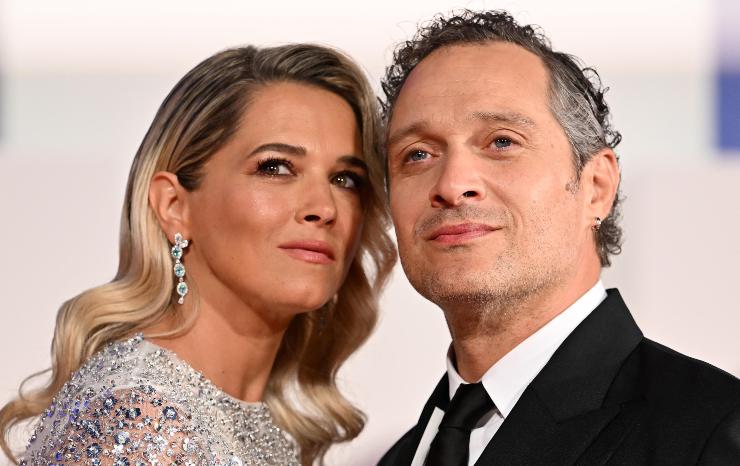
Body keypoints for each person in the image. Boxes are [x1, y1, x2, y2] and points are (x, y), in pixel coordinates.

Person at [0, 43, 396, 466]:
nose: (324, 207)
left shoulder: (250, 423)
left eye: (345, 179)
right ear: (174, 206)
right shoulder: (140, 426)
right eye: (275, 167)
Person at [378, 10, 740, 466]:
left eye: (502, 142)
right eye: (417, 154)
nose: (452, 184)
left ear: (596, 187)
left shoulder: (714, 432)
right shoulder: (401, 457)